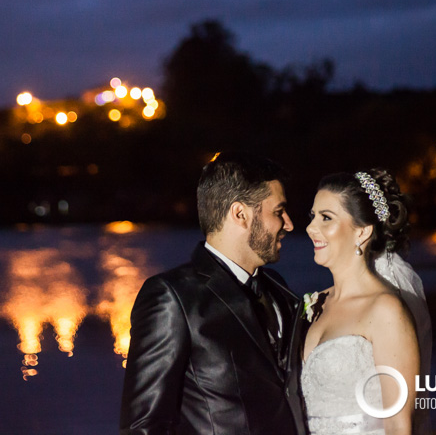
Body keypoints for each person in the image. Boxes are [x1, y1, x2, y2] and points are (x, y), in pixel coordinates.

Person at [120, 152, 308, 435]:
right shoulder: (172, 297)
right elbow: (143, 426)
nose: (289, 224)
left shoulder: (278, 288)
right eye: (278, 211)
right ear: (240, 214)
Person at [301, 169, 432, 435]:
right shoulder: (318, 303)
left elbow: (398, 425)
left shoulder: (386, 310)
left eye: (326, 217)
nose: (311, 227)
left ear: (362, 232)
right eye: (313, 216)